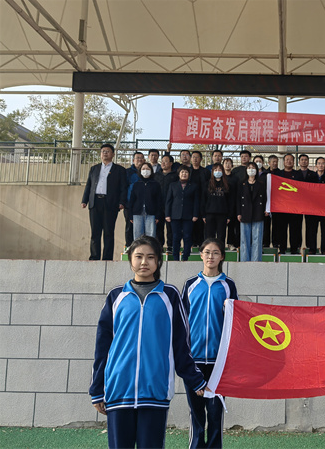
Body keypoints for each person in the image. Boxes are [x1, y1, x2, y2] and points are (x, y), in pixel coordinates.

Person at [90, 235, 206, 449]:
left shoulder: (170, 296)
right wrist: (97, 388)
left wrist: (195, 378)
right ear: (130, 260)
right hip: (118, 389)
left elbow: (181, 344)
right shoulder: (116, 296)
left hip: (155, 390)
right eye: (139, 256)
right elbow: (102, 346)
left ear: (158, 261)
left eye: (150, 257)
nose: (144, 262)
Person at [182, 238, 239, 449]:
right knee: (196, 413)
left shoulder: (228, 285)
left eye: (215, 253)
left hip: (219, 361)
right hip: (193, 359)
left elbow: (236, 320)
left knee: (215, 413)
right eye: (207, 252)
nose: (211, 256)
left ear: (221, 257)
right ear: (201, 255)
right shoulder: (190, 285)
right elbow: (181, 320)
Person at [81, 143, 127, 260]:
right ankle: (94, 257)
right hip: (95, 202)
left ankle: (107, 258)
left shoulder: (119, 170)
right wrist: (84, 200)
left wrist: (122, 202)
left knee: (108, 232)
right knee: (95, 232)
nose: (105, 153)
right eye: (103, 151)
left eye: (107, 151)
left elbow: (123, 187)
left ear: (113, 154)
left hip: (110, 203)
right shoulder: (94, 168)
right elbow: (89, 185)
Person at [165, 166, 200, 261]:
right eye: (182, 172)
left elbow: (196, 201)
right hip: (175, 215)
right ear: (179, 174)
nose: (184, 174)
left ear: (189, 174)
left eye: (186, 172)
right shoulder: (173, 185)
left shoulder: (194, 186)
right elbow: (169, 201)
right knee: (176, 237)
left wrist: (195, 214)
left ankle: (185, 256)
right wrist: (167, 214)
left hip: (189, 216)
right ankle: (175, 257)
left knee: (187, 236)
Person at [237, 162, 268, 261]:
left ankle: (256, 261)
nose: (251, 169)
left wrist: (266, 209)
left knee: (257, 239)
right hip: (244, 212)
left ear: (256, 170)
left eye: (253, 167)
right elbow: (238, 199)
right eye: (249, 167)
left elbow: (265, 198)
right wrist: (238, 213)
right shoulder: (241, 183)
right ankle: (244, 260)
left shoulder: (261, 183)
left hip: (258, 212)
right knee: (244, 239)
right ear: (246, 170)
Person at [129, 162, 162, 239]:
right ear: (140, 171)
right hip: (137, 213)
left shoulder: (156, 184)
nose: (145, 170)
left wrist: (158, 215)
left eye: (147, 169)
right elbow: (132, 200)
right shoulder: (136, 184)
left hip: (151, 214)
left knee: (151, 236)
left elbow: (159, 201)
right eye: (143, 169)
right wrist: (130, 215)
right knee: (137, 237)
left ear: (151, 171)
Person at [277, 154, 302, 254]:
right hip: (281, 207)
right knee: (281, 229)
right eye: (287, 160)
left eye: (291, 160)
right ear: (283, 162)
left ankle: (294, 249)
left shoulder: (298, 175)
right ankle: (282, 249)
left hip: (295, 207)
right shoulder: (278, 174)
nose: (289, 161)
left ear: (294, 162)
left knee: (295, 230)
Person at [203, 163, 233, 243]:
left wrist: (229, 216)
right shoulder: (207, 184)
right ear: (212, 172)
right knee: (209, 237)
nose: (217, 171)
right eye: (215, 170)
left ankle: (220, 251)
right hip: (209, 214)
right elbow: (203, 200)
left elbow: (230, 201)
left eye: (219, 169)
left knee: (221, 236)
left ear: (223, 171)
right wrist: (203, 215)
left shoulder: (228, 185)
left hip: (222, 214)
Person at [154, 154, 178, 252]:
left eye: (166, 161)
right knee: (158, 227)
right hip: (158, 205)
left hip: (171, 206)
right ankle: (159, 246)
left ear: (171, 163)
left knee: (170, 228)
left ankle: (170, 246)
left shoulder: (175, 176)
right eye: (162, 161)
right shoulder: (156, 175)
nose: (163, 163)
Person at [298, 154, 318, 254]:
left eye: (306, 160)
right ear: (299, 162)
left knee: (311, 227)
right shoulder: (295, 174)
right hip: (297, 204)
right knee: (297, 226)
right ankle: (297, 246)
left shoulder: (314, 174)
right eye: (302, 160)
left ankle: (311, 247)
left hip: (311, 204)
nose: (304, 161)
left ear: (308, 162)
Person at [312, 157, 325, 255]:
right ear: (316, 165)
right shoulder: (310, 178)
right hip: (312, 208)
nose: (321, 165)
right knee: (312, 230)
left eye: (323, 163)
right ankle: (312, 249)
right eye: (319, 163)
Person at [125, 151, 146, 247]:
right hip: (130, 204)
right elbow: (123, 187)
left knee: (143, 227)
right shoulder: (128, 172)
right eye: (138, 158)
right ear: (133, 160)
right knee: (130, 226)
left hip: (144, 205)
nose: (140, 160)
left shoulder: (146, 171)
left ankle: (142, 247)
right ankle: (129, 246)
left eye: (141, 158)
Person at [263, 155, 281, 248]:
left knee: (277, 225)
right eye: (273, 162)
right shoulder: (264, 174)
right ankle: (265, 243)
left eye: (276, 161)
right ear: (269, 163)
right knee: (266, 225)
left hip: (277, 203)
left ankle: (276, 243)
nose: (275, 163)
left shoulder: (281, 174)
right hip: (266, 203)